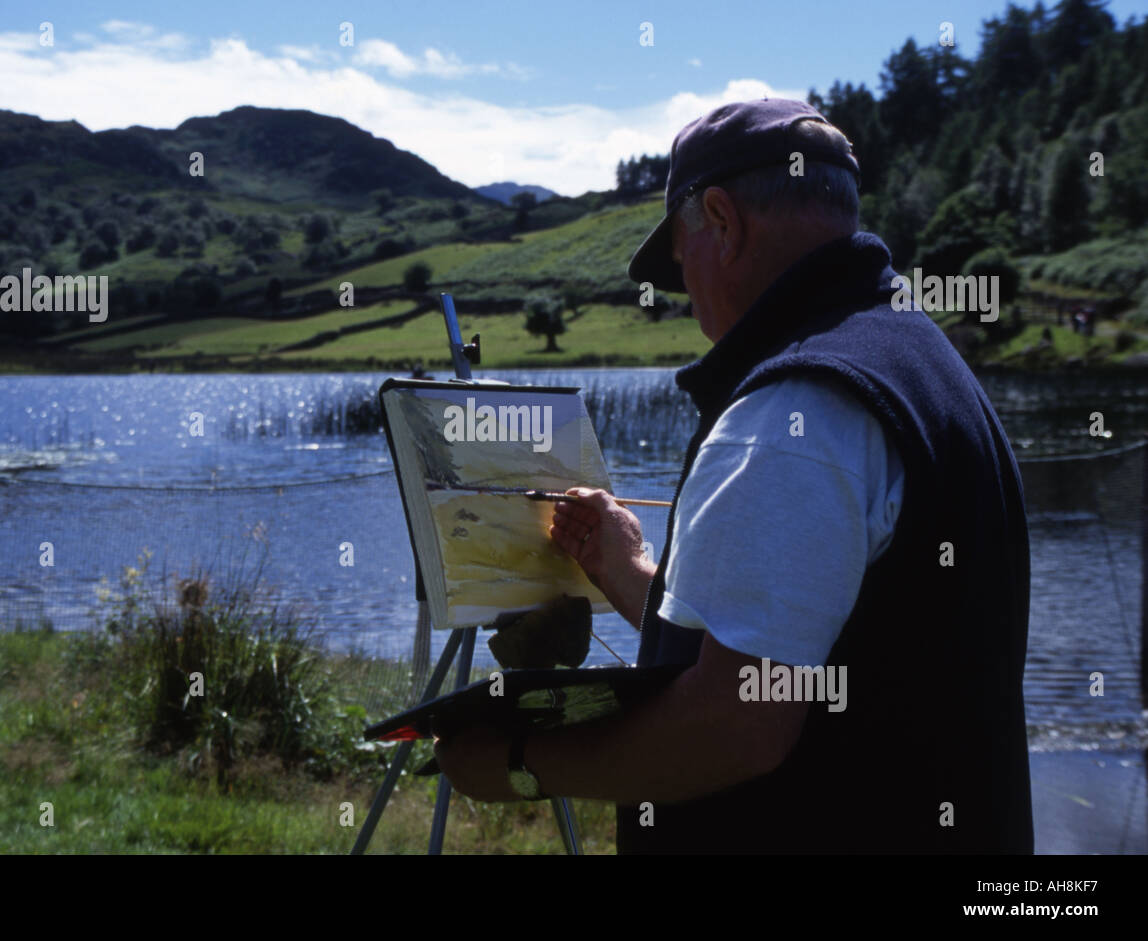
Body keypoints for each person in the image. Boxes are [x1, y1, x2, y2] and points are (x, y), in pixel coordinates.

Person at [434, 99, 1033, 854]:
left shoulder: (796, 410)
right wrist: (630, 573)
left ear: (722, 220)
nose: (687, 297)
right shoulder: (921, 360)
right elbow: (794, 640)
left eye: (681, 260)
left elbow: (737, 725)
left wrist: (521, 763)